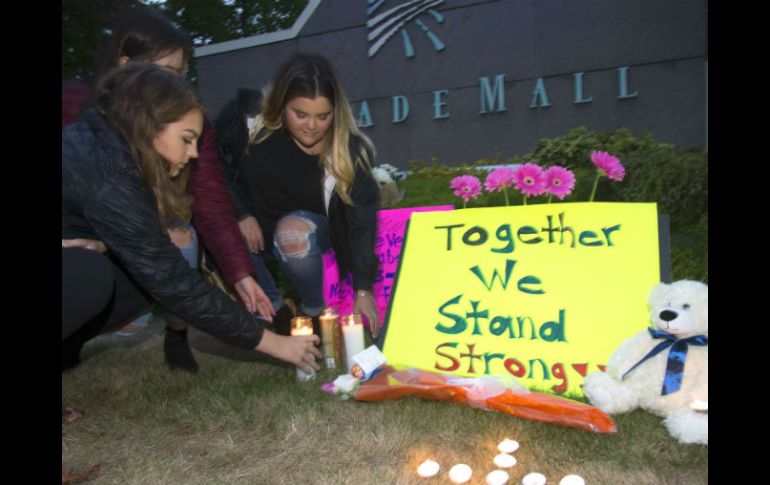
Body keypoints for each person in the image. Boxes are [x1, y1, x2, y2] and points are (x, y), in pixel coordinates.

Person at [61, 6, 285, 372]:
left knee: (143, 270)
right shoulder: (105, 158)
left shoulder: (151, 133)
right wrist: (272, 344)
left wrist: (239, 273)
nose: (193, 153)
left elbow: (209, 199)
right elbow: (170, 277)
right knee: (96, 275)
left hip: (104, 241)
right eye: (166, 72)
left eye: (182, 74)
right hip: (86, 257)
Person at [238, 53, 382, 338]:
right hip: (259, 234)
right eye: (300, 114)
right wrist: (240, 214)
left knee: (292, 232)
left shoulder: (349, 151)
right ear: (282, 106)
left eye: (322, 116)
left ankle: (315, 313)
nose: (312, 125)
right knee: (224, 225)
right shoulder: (253, 135)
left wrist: (364, 289)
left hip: (316, 235)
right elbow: (216, 177)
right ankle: (278, 312)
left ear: (335, 112)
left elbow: (363, 221)